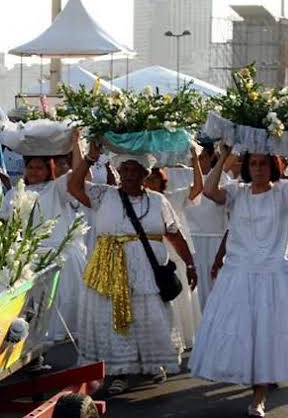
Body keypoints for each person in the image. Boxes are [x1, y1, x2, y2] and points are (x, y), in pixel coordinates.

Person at [189, 147, 288, 418]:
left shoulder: (283, 191)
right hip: (240, 272)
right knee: (244, 332)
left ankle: (258, 398)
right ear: (246, 167)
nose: (258, 169)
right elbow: (208, 191)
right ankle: (256, 380)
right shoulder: (236, 193)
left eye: (263, 164)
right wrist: (225, 152)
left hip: (274, 272)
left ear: (272, 166)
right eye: (253, 163)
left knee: (266, 333)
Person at [68, 142, 197, 395]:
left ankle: (153, 363)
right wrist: (90, 158)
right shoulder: (104, 195)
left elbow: (175, 234)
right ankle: (120, 372)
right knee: (116, 319)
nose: (129, 174)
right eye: (125, 169)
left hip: (148, 271)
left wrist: (190, 263)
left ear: (145, 174)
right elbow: (74, 186)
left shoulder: (158, 201)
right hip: (111, 269)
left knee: (151, 315)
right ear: (118, 172)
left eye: (135, 170)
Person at [0, 136, 87, 343]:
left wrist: (76, 143)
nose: (34, 172)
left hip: (60, 256)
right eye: (31, 167)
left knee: (62, 302)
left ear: (49, 169)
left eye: (39, 168)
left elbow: (80, 175)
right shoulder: (14, 192)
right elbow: (4, 226)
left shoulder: (57, 188)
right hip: (28, 257)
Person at [145, 149, 203, 349]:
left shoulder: (174, 196)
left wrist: (195, 160)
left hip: (177, 255)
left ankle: (185, 337)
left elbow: (198, 188)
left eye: (155, 179)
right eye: (148, 178)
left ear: (162, 180)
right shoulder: (141, 201)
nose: (151, 182)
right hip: (155, 256)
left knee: (182, 296)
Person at [184, 141, 229, 310]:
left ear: (211, 157)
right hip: (192, 240)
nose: (197, 161)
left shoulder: (223, 179)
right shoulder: (186, 176)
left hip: (215, 241)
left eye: (202, 157)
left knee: (214, 288)